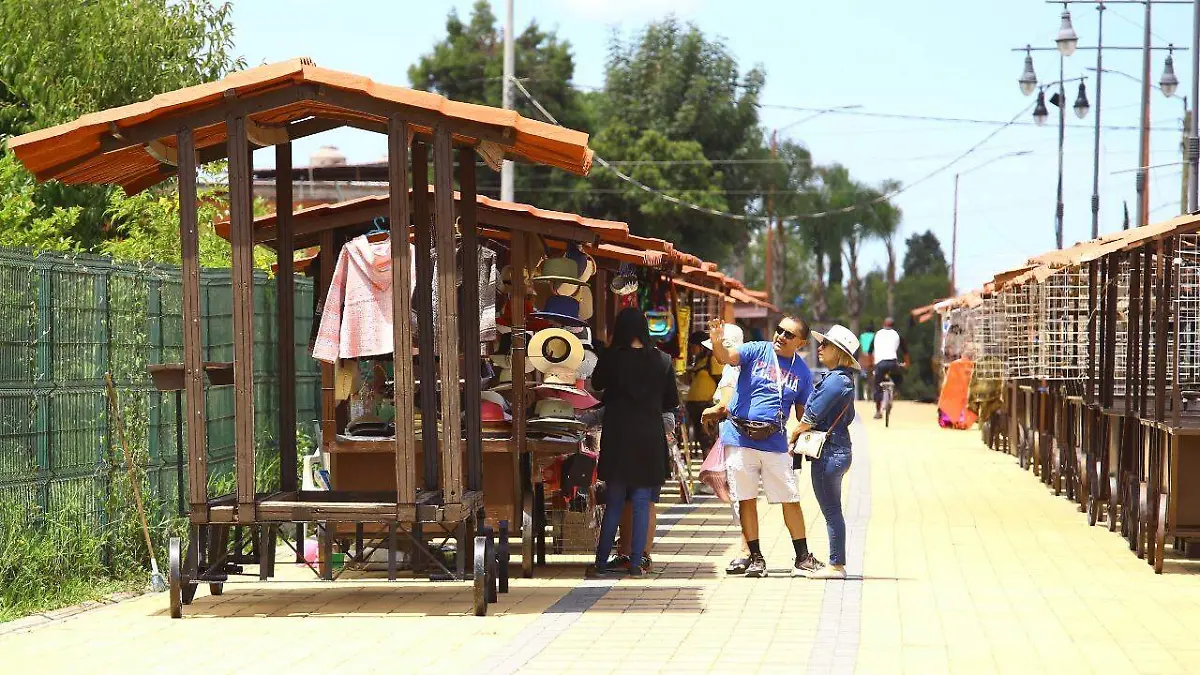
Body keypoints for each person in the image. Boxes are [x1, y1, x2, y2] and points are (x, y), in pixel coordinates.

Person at [708, 315, 813, 578]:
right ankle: (755, 557)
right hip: (740, 437)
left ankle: (802, 556)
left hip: (775, 442)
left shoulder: (801, 372)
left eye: (789, 334)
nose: (781, 336)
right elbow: (726, 357)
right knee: (746, 498)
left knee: (790, 498)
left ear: (800, 342)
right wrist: (717, 342)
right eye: (779, 330)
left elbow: (803, 415)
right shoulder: (756, 350)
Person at [588, 307, 680, 577]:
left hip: (618, 436)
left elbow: (597, 384)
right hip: (649, 438)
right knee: (641, 502)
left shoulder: (611, 359)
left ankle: (602, 561)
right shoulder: (663, 361)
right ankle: (637, 562)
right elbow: (670, 401)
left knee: (615, 502)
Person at [791, 325, 859, 579]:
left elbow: (810, 416)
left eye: (826, 345)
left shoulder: (834, 381)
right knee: (833, 509)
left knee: (831, 511)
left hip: (829, 452)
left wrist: (794, 436)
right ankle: (836, 562)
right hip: (841, 448)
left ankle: (836, 565)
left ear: (839, 352)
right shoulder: (845, 380)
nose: (820, 348)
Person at [684, 331, 723, 455]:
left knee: (708, 440)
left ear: (701, 346)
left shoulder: (713, 360)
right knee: (702, 440)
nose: (691, 349)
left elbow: (721, 383)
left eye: (693, 346)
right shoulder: (700, 361)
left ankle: (710, 471)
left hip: (706, 406)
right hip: (695, 407)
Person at [870, 317, 909, 419]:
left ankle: (878, 411)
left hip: (879, 364)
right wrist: (906, 364)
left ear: (883, 324)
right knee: (898, 378)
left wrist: (872, 364)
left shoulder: (877, 334)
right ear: (893, 326)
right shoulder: (897, 335)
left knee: (877, 386)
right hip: (893, 363)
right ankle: (894, 392)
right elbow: (905, 352)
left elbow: (870, 352)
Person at [858, 323, 876, 401]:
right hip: (873, 356)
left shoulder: (862, 336)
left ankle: (864, 393)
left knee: (864, 376)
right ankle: (873, 392)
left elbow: (859, 346)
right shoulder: (875, 336)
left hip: (864, 357)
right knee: (873, 376)